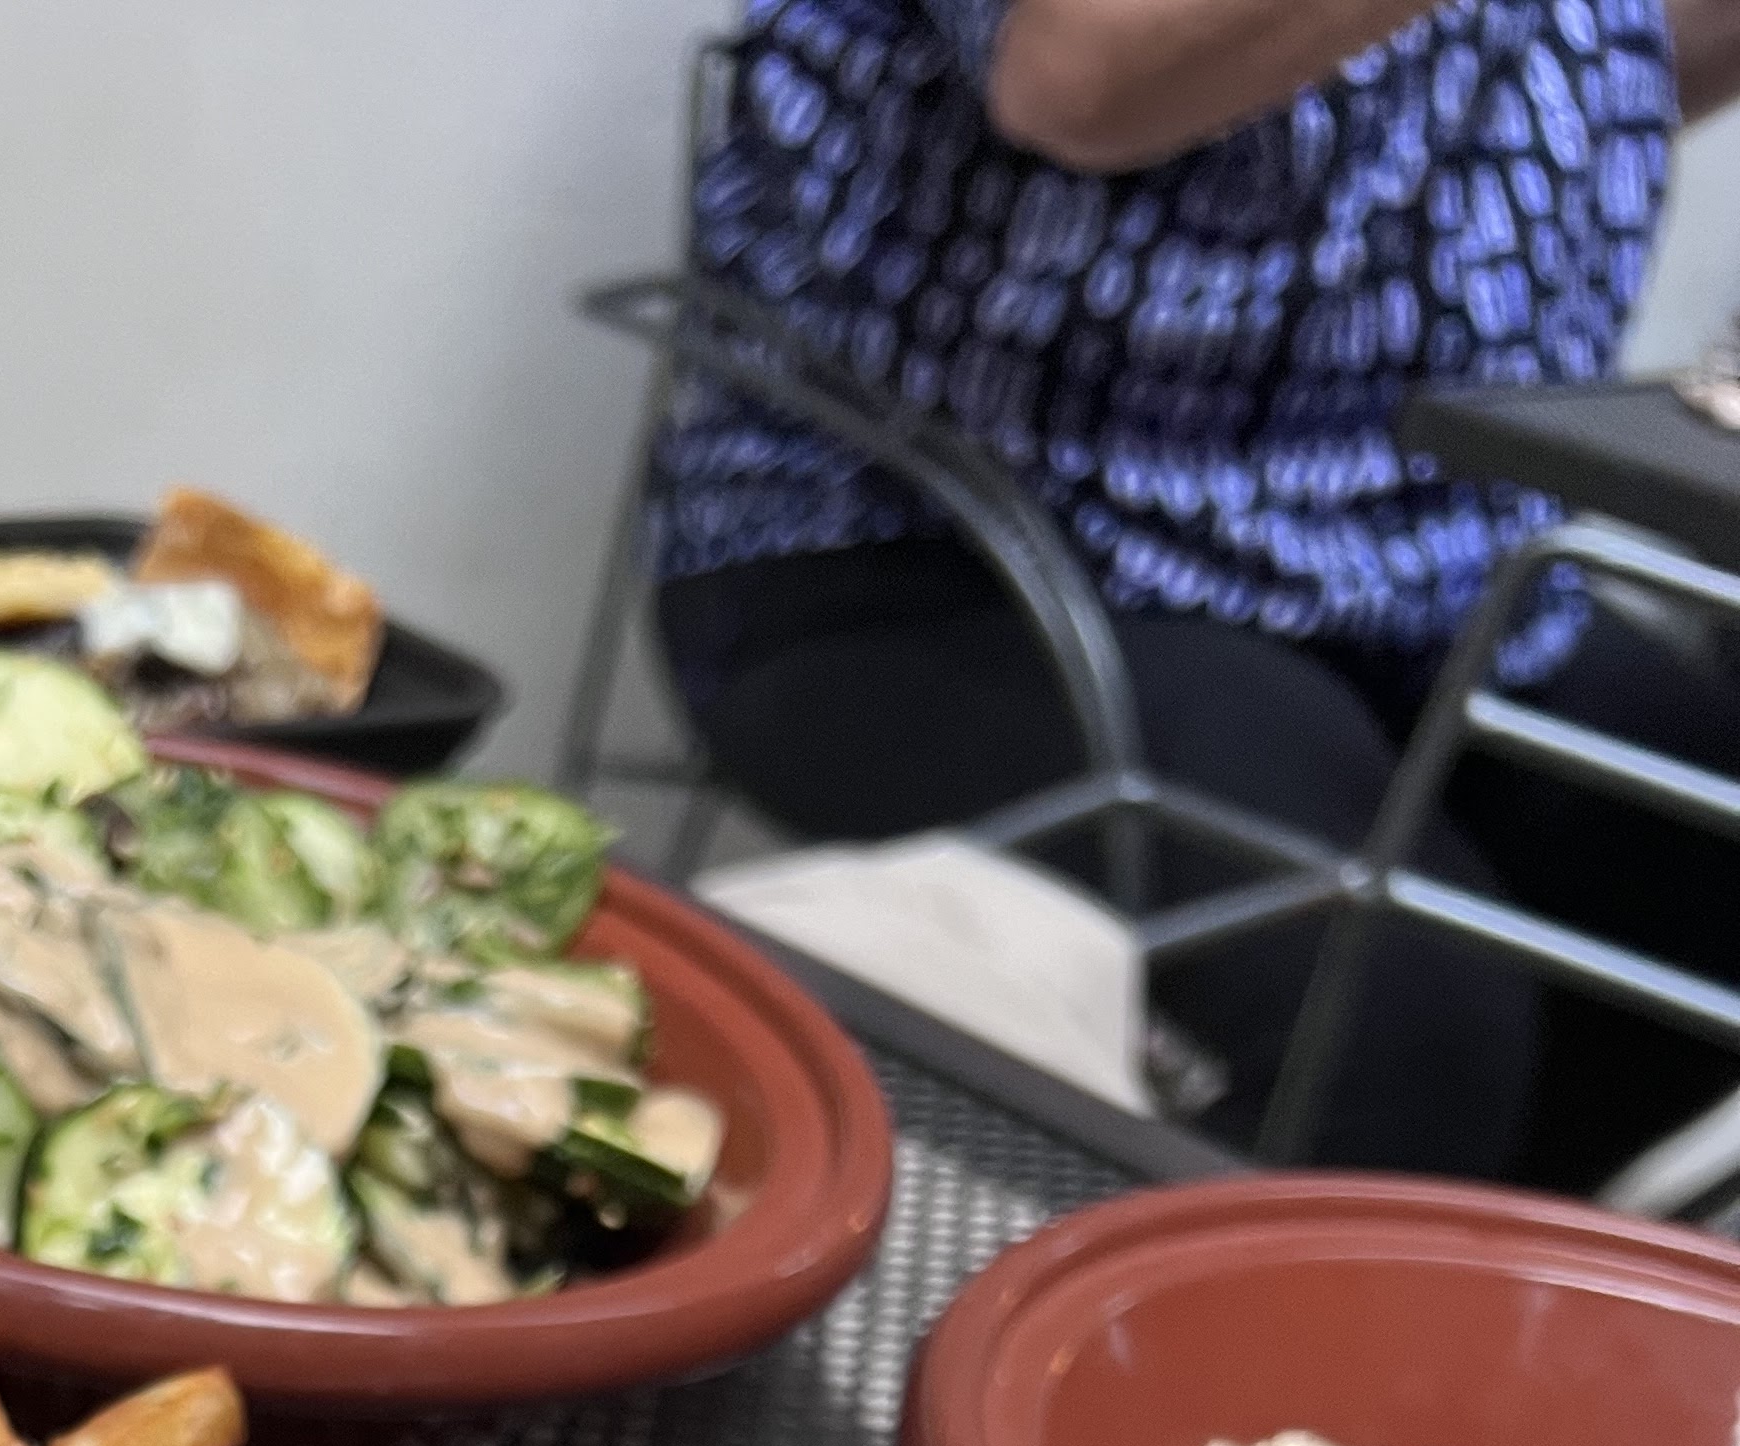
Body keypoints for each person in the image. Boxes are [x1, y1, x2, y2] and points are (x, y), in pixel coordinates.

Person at [654, 0, 1740, 1178]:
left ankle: (1435, 1275)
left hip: (1411, 560)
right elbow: (1075, 78)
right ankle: (1240, 1275)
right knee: (1388, 1012)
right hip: (955, 544)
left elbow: (1627, 63)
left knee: (1704, 878)